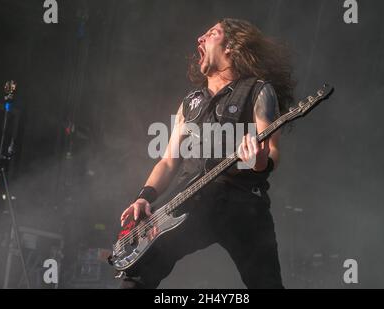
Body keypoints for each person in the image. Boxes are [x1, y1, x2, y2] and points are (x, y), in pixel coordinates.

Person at [119, 18, 295, 289]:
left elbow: (272, 149)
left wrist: (260, 162)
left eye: (212, 33)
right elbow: (168, 161)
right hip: (191, 201)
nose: (200, 38)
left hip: (242, 204)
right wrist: (144, 196)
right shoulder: (190, 102)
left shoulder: (259, 90)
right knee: (138, 276)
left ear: (232, 47)